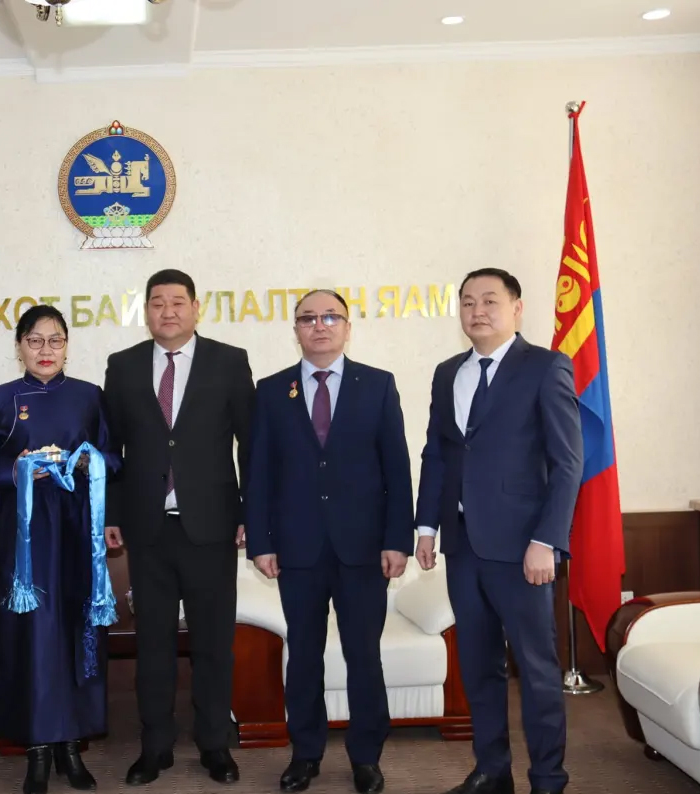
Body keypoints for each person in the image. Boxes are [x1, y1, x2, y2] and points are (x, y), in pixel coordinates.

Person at [414, 268, 583, 794]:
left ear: (517, 308)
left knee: (536, 669)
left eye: (489, 300)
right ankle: (492, 771)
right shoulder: (448, 372)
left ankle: (548, 779)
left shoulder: (546, 367)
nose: (477, 310)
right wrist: (426, 526)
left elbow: (567, 462)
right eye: (467, 302)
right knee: (478, 666)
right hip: (463, 544)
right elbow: (437, 453)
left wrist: (546, 540)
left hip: (523, 547)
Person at [244, 289, 413, 794]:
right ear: (295, 329)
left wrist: (397, 539)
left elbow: (397, 468)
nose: (319, 325)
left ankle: (366, 757)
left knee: (364, 656)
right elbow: (257, 472)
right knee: (303, 656)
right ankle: (306, 754)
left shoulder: (377, 385)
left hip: (363, 548)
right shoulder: (271, 390)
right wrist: (261, 541)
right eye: (308, 318)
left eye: (330, 317)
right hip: (297, 549)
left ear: (347, 327)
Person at [102, 269, 255, 785]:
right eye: (157, 303)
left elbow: (250, 445)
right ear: (146, 310)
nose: (167, 311)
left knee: (212, 643)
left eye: (177, 302)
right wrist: (112, 514)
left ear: (195, 307)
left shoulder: (229, 361)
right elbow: (112, 451)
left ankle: (214, 745)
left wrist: (250, 514)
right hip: (148, 530)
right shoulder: (123, 366)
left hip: (212, 528)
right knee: (154, 646)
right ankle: (155, 747)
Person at [0, 304, 121, 794]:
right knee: (30, 638)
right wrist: (18, 469)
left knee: (77, 632)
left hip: (79, 533)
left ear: (67, 346)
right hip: (24, 541)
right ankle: (36, 749)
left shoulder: (89, 396)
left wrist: (87, 462)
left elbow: (115, 458)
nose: (45, 350)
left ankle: (71, 746)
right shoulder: (0, 399)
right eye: (35, 340)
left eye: (55, 340)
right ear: (19, 347)